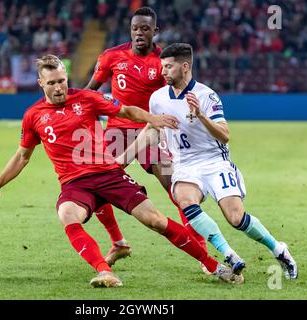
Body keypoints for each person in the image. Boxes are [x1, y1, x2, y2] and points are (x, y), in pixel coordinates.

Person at [0, 54, 242, 287]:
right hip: (75, 184)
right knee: (67, 214)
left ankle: (212, 264)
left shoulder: (87, 98)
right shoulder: (33, 115)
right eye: (52, 83)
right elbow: (22, 157)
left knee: (156, 221)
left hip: (110, 174)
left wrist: (153, 119)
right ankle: (104, 272)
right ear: (40, 83)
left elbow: (126, 110)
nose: (59, 87)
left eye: (62, 80)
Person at [119, 43, 298, 280]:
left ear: (185, 67)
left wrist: (201, 115)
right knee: (184, 201)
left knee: (236, 218)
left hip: (215, 162)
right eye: (162, 66)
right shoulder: (157, 98)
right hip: (184, 164)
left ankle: (278, 249)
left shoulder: (206, 95)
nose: (163, 71)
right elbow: (152, 130)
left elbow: (224, 135)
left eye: (168, 66)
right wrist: (122, 159)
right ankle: (229, 254)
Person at [85, 6, 212, 270]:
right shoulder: (111, 57)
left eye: (145, 29)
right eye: (135, 29)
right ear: (130, 31)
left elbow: (177, 95)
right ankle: (118, 242)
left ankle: (200, 247)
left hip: (151, 133)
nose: (139, 33)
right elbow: (90, 93)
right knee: (93, 184)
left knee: (176, 188)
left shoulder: (163, 62)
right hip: (116, 133)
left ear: (155, 31)